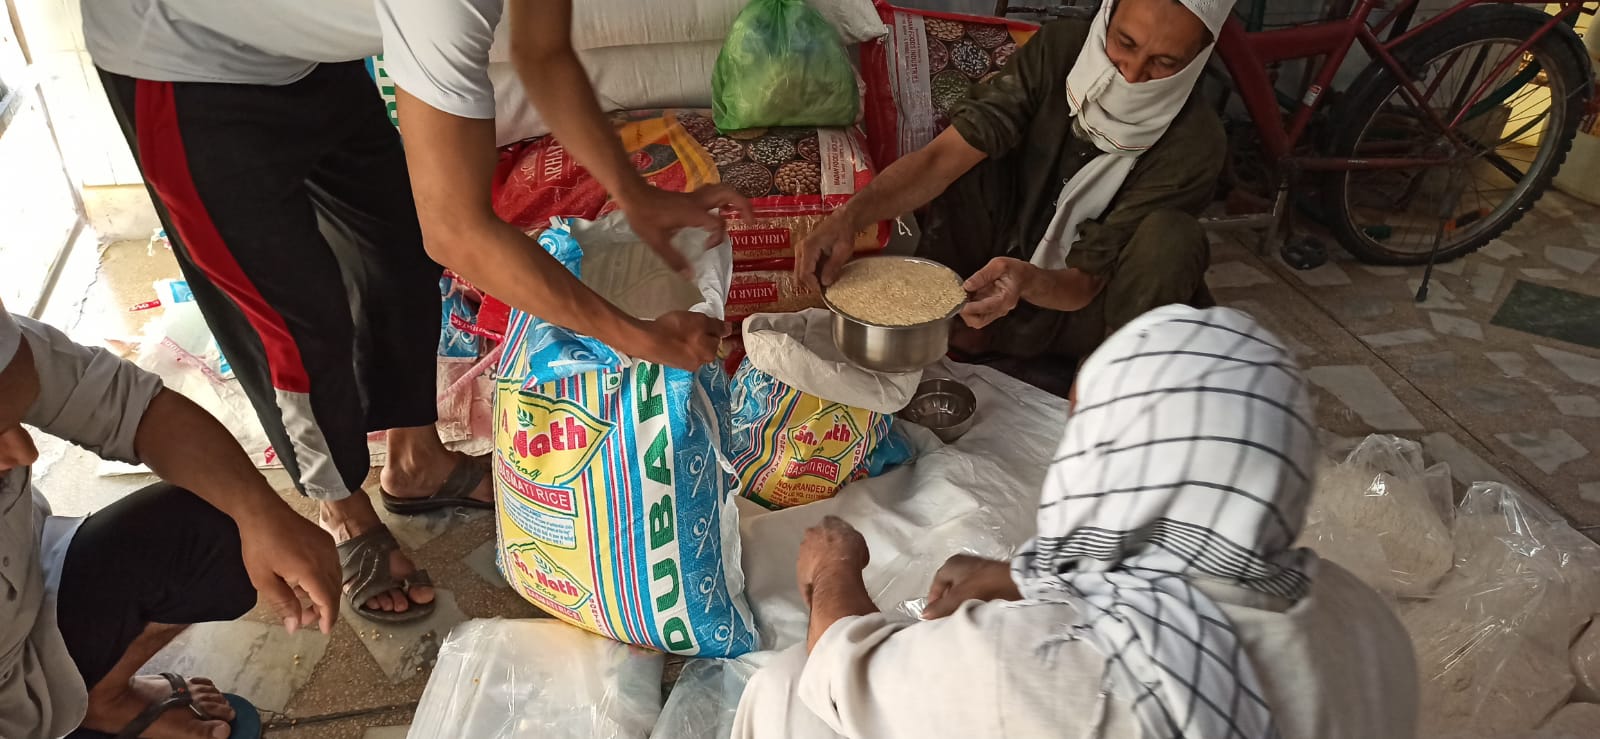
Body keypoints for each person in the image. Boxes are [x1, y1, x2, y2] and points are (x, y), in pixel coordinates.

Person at [81, 0, 747, 621]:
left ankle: (415, 460)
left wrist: (634, 194)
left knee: (396, 244)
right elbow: (459, 231)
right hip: (177, 58)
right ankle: (342, 509)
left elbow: (544, 54)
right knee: (295, 317)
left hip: (293, 48)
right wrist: (633, 335)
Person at [732, 305, 1419, 739]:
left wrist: (833, 569)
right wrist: (1017, 576)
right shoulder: (1367, 623)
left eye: (1086, 431)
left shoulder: (1044, 667)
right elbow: (1172, 579)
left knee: (786, 689)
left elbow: (842, 666)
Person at [798, 0, 1232, 391]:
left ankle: (1105, 380)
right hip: (997, 270)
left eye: (1164, 62)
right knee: (976, 148)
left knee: (1171, 239)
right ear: (1108, 15)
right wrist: (849, 219)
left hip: (1083, 310)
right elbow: (940, 160)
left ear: (1198, 59)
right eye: (1125, 42)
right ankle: (965, 326)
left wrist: (1028, 282)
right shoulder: (1062, 49)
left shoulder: (1195, 142)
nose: (1132, 74)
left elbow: (1085, 281)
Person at [0, 307, 341, 739]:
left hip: (32, 595)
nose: (23, 454)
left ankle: (99, 696)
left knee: (222, 520)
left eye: (11, 419)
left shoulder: (9, 351)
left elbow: (137, 410)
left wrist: (264, 516)